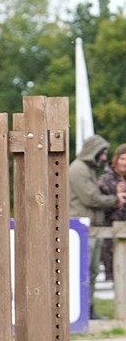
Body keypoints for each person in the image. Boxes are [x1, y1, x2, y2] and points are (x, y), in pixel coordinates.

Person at [70, 135, 126, 319]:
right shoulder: (79, 169)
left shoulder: (87, 170)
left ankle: (88, 309)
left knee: (92, 271)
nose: (104, 158)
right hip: (84, 228)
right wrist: (114, 200)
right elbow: (91, 198)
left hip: (91, 228)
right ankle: (82, 311)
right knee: (84, 271)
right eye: (103, 154)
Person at [97, 143, 126, 282]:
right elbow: (99, 206)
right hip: (111, 234)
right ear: (116, 160)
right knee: (118, 277)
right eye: (122, 159)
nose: (125, 163)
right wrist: (116, 199)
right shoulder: (105, 180)